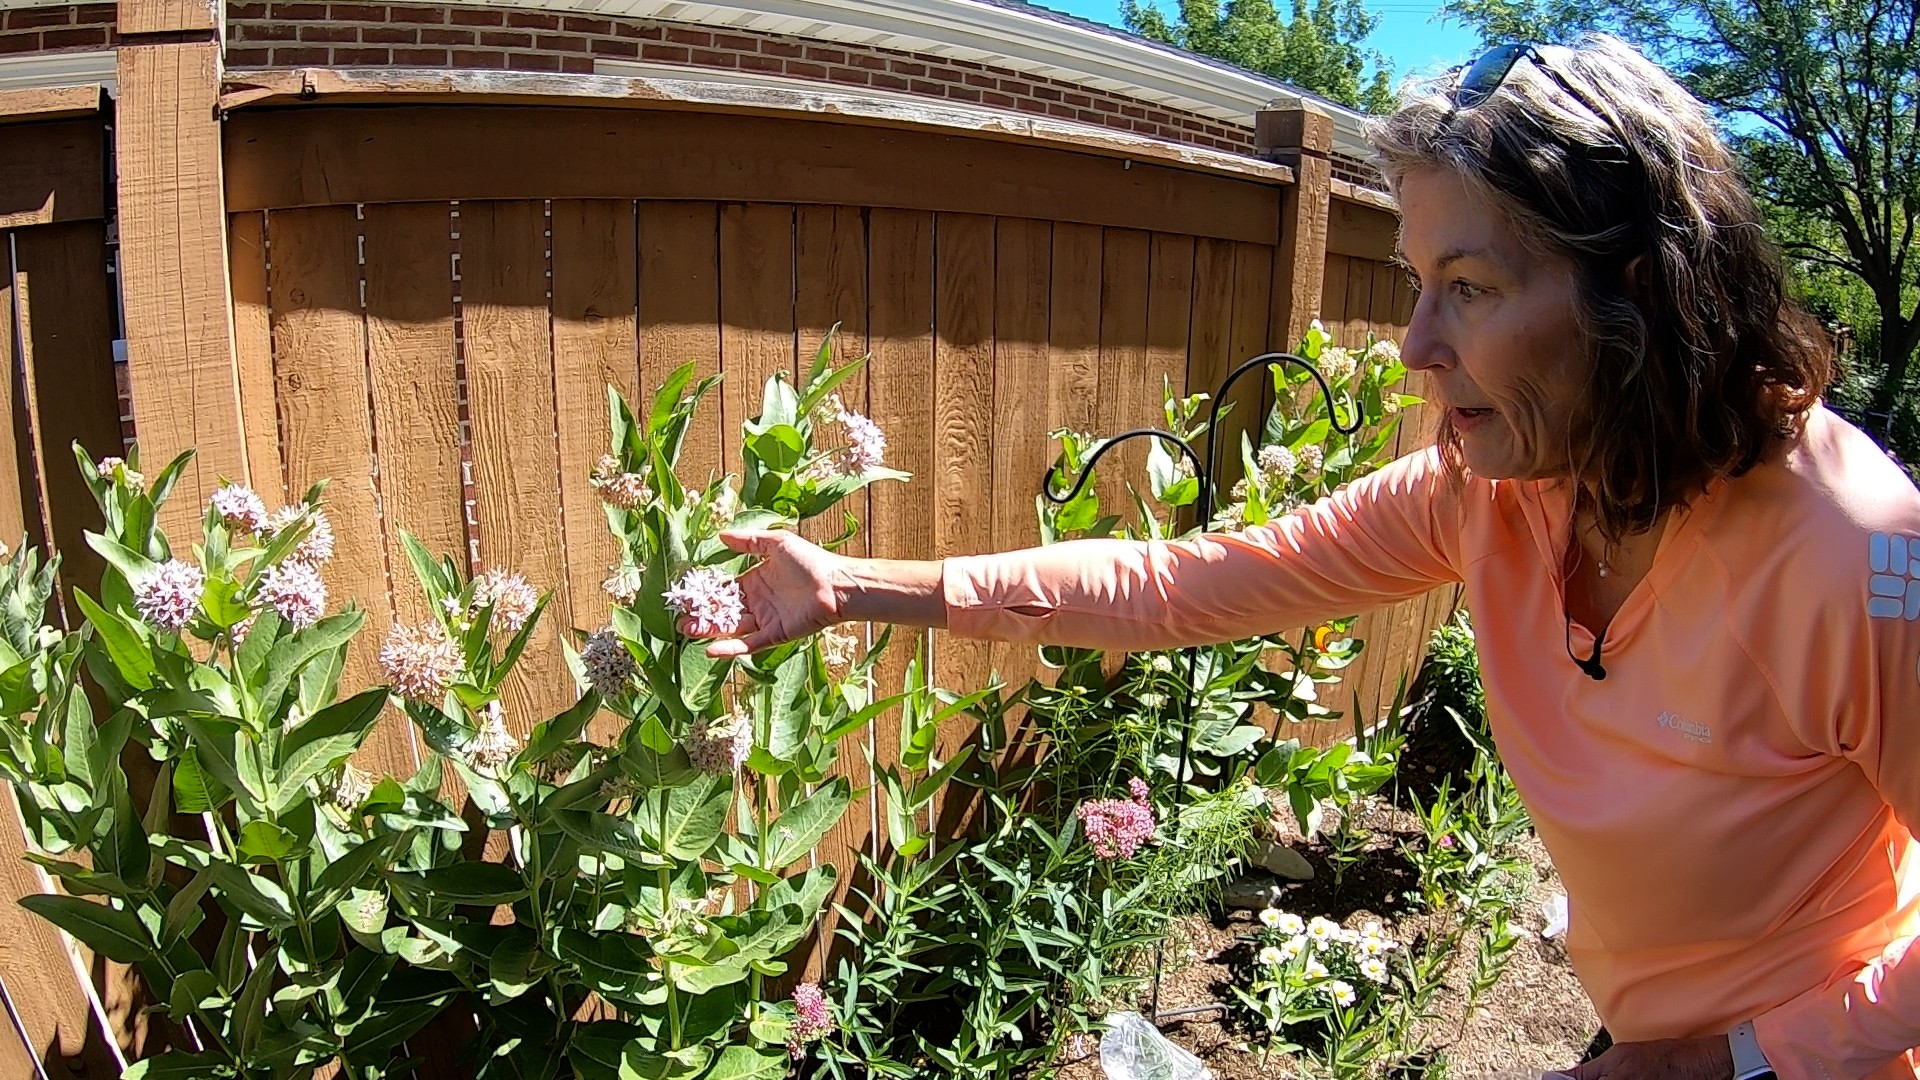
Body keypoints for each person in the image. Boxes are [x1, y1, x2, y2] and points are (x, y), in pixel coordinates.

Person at [683, 35, 1920, 1080]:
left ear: (1635, 294)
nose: (1417, 345)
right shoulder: (1497, 494)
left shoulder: (1854, 555)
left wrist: (1738, 1056)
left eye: (1470, 287)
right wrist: (849, 586)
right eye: (1418, 284)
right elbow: (1184, 585)